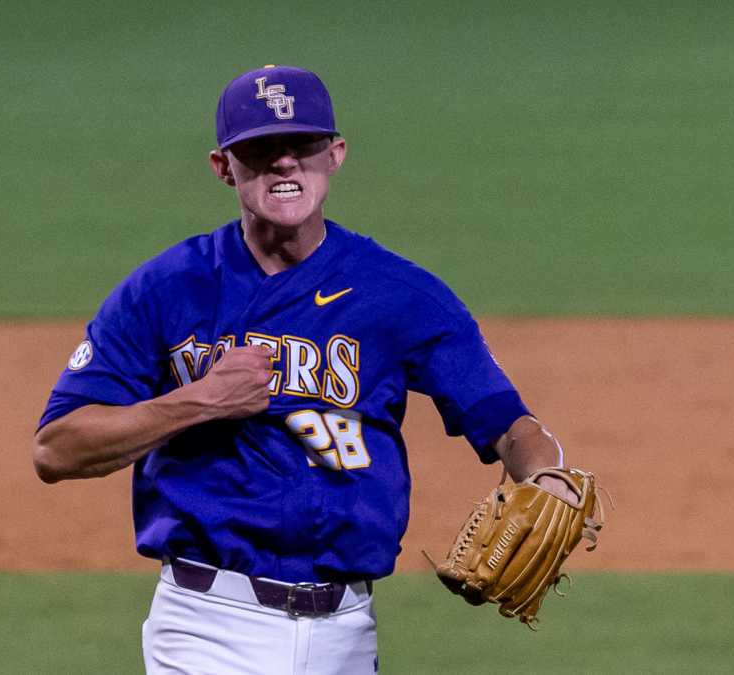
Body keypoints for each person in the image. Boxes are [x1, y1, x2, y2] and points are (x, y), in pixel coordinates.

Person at [33, 64, 576, 675]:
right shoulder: (166, 289)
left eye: (303, 146)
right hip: (207, 626)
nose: (285, 164)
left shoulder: (398, 292)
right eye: (261, 149)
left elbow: (508, 423)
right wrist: (202, 401)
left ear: (335, 154)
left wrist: (546, 476)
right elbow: (56, 449)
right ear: (223, 166)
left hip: (347, 631)